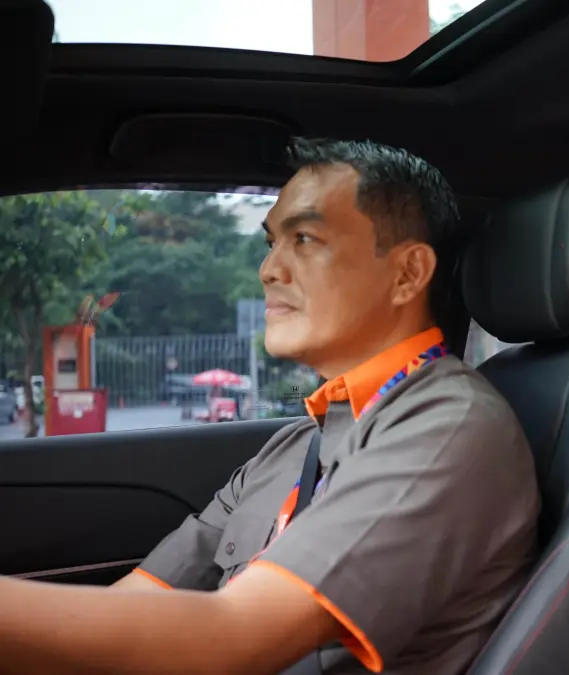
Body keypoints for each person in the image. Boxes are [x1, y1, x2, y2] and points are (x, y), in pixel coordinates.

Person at [0, 138, 540, 675]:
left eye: (304, 238)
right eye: (271, 242)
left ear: (407, 274)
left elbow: (229, 639)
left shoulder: (446, 427)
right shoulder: (293, 446)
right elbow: (139, 600)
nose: (268, 269)